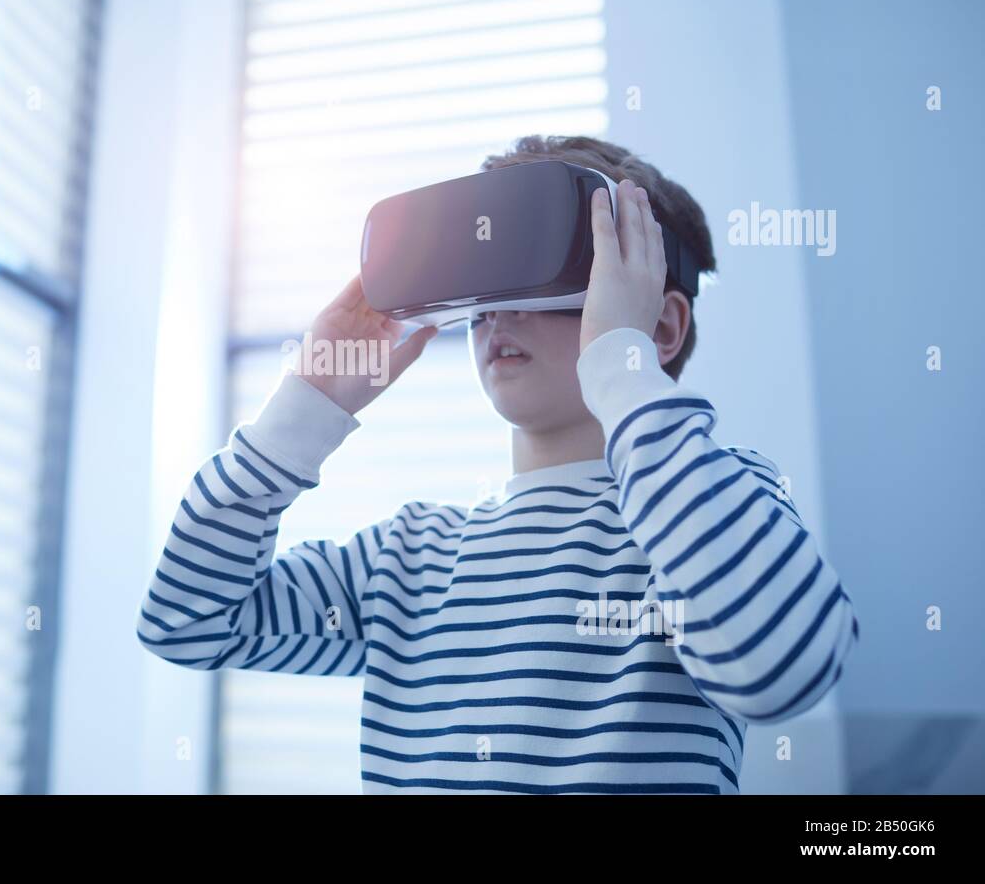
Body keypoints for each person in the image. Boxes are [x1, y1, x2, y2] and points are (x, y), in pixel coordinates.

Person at [136, 134, 859, 794]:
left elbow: (783, 669)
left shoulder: (703, 516)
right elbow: (186, 622)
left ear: (660, 326)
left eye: (543, 288)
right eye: (482, 299)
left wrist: (622, 367)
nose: (498, 317)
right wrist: (308, 403)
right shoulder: (408, 556)